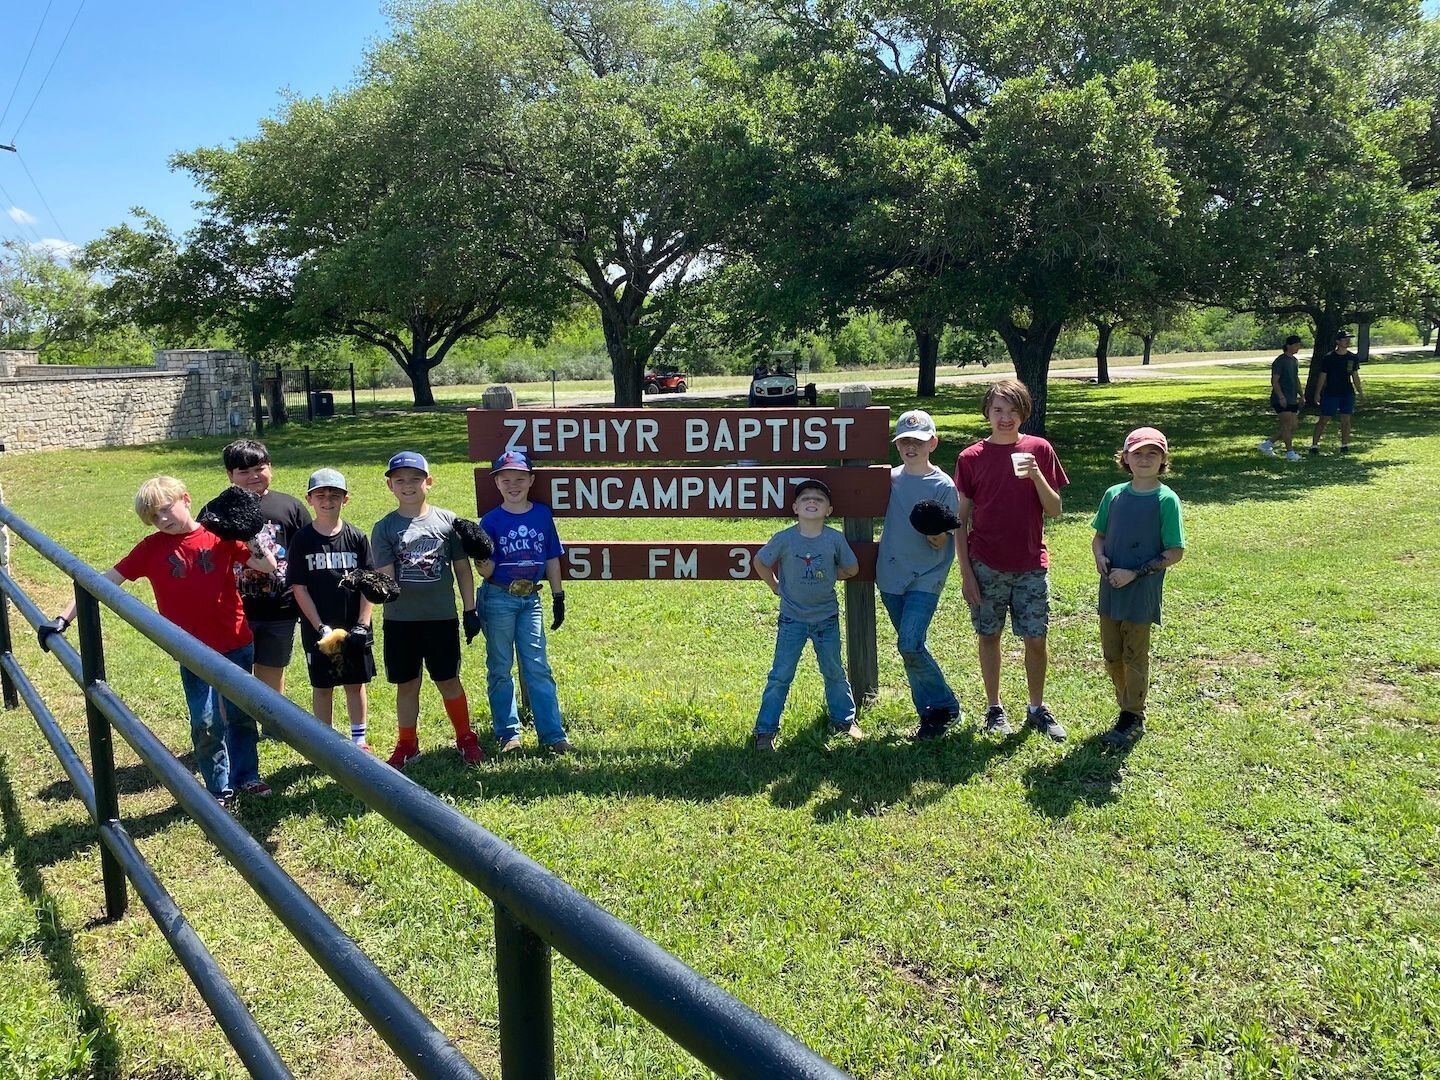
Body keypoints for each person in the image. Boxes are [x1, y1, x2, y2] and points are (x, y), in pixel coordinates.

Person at [38, 477, 277, 806]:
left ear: (186, 499)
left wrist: (250, 536)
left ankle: (246, 776)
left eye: (166, 509)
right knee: (205, 722)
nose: (162, 520)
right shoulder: (151, 549)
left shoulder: (219, 535)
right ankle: (218, 788)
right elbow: (103, 582)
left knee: (239, 713)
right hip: (190, 651)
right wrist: (63, 618)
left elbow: (267, 565)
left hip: (235, 641)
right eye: (154, 517)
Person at [955, 379, 1070, 741]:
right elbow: (961, 520)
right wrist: (967, 574)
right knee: (989, 635)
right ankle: (994, 708)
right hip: (986, 563)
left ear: (1024, 413)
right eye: (998, 410)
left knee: (1036, 638)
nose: (1005, 418)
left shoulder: (1040, 449)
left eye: (1013, 410)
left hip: (1031, 564)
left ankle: (1036, 708)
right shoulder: (971, 458)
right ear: (987, 412)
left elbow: (1055, 510)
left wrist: (1036, 474)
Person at [370, 451, 484, 769]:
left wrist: (469, 610)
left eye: (415, 479)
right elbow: (385, 577)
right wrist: (375, 588)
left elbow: (462, 569)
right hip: (401, 620)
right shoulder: (385, 528)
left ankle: (465, 737)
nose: (408, 485)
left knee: (448, 679)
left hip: (441, 617)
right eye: (400, 480)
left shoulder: (447, 522)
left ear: (428, 482)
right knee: (407, 684)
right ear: (390, 485)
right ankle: (407, 743)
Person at [1091, 428, 1186, 747]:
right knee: (1111, 655)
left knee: (1135, 654)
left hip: (1140, 591)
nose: (1144, 459)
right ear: (1125, 458)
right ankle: (1126, 705)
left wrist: (1134, 572)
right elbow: (1099, 536)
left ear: (1163, 461)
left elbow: (1175, 551)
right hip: (1111, 588)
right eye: (1138, 453)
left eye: (1152, 454)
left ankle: (1133, 714)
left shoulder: (1166, 499)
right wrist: (1100, 557)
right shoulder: (1113, 494)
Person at [751, 478, 862, 750]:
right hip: (792, 619)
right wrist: (776, 587)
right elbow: (761, 562)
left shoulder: (834, 539)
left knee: (834, 670)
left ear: (829, 510)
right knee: (780, 674)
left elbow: (852, 569)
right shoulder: (785, 539)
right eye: (805, 498)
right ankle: (765, 730)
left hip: (826, 619)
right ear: (795, 507)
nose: (812, 501)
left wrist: (831, 575)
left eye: (819, 499)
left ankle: (844, 720)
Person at [476, 449, 572, 753]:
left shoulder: (542, 514)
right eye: (506, 479)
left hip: (531, 598)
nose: (513, 484)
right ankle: (508, 734)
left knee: (538, 665)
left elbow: (552, 557)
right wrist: (478, 553)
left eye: (520, 478)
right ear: (497, 483)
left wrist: (558, 596)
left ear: (531, 480)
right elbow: (487, 570)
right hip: (498, 597)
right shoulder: (491, 520)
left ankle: (553, 735)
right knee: (500, 666)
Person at [875, 409, 962, 739]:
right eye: (904, 442)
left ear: (933, 443)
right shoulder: (889, 480)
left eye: (919, 441)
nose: (911, 447)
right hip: (890, 574)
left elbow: (944, 538)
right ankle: (929, 715)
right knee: (908, 647)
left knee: (910, 644)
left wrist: (935, 532)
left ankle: (945, 704)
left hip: (926, 575)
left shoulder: (943, 485)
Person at [203, 440, 310, 696]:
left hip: (279, 606)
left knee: (272, 669)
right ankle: (235, 726)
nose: (253, 476)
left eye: (259, 468)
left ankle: (272, 724)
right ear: (230, 475)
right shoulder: (216, 511)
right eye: (243, 471)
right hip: (233, 608)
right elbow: (204, 556)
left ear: (270, 468)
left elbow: (307, 552)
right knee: (232, 674)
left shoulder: (289, 507)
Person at [287, 469, 376, 750]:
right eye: (321, 495)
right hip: (318, 626)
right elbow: (298, 587)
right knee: (322, 686)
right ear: (310, 499)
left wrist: (362, 624)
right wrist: (320, 627)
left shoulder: (357, 537)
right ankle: (326, 743)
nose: (328, 500)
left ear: (345, 499)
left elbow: (369, 585)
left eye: (335, 495)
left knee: (355, 682)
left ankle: (359, 739)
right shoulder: (302, 540)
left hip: (352, 625)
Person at [1309, 329, 1365, 454]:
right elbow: (1323, 376)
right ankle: (1314, 445)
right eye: (1345, 339)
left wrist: (1360, 391)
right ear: (1338, 341)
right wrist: (1318, 393)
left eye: (1349, 339)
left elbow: (1355, 376)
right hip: (1331, 392)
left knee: (1346, 419)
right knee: (1324, 419)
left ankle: (1344, 445)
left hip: (1347, 392)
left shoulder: (1352, 357)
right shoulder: (1329, 358)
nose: (1348, 341)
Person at [1259, 335, 1304, 461]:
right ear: (1288, 346)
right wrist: (1281, 396)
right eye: (1296, 345)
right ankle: (1290, 452)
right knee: (1286, 423)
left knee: (1293, 426)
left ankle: (1267, 444)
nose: (1298, 347)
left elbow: (1296, 379)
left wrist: (1302, 395)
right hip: (1281, 398)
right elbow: (1274, 381)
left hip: (1292, 397)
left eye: (1299, 345)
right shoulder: (1280, 360)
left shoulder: (1294, 361)